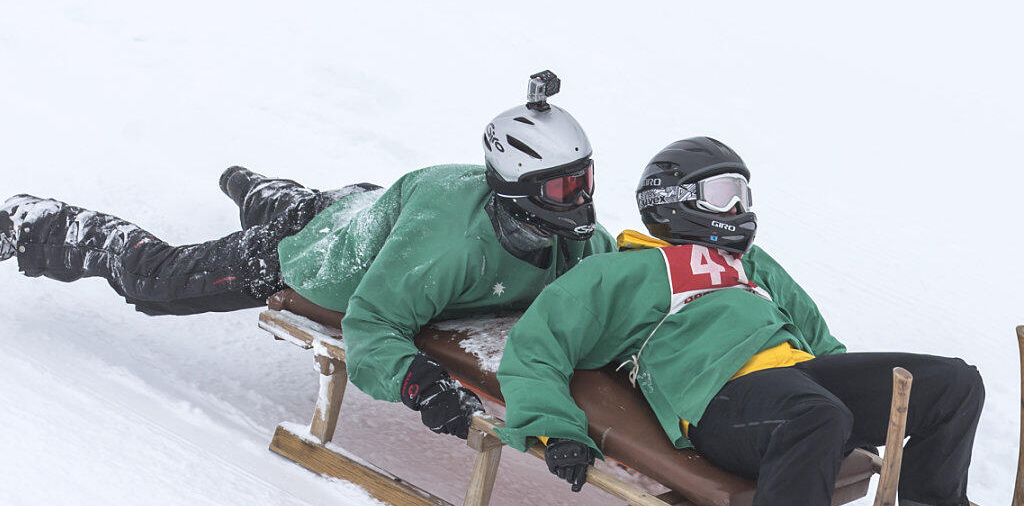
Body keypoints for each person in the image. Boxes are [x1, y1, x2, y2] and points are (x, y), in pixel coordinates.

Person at [0, 71, 617, 441]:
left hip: (365, 210)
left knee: (316, 206)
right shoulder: (448, 249)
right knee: (154, 283)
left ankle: (262, 192)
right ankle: (34, 223)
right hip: (317, 255)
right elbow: (372, 326)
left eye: (584, 178)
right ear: (514, 183)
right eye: (563, 187)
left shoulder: (573, 236)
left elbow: (613, 275)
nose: (582, 198)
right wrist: (419, 383)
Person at [494, 137, 984, 505]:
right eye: (724, 193)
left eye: (743, 196)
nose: (738, 210)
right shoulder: (624, 270)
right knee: (817, 414)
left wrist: (858, 403)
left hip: (799, 383)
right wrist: (555, 429)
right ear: (672, 199)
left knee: (952, 384)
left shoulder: (753, 265)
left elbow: (821, 342)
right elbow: (537, 346)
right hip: (720, 399)